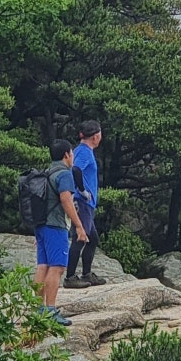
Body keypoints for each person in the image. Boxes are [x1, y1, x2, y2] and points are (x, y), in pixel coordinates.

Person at [34, 139, 88, 326]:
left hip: (41, 224)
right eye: (72, 153)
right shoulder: (65, 174)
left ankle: (37, 307)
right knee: (57, 267)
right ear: (66, 154)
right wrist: (79, 226)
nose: (72, 157)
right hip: (55, 225)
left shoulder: (48, 171)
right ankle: (50, 310)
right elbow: (66, 200)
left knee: (43, 265)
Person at [64, 119, 105, 288]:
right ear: (95, 137)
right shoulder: (84, 152)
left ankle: (86, 274)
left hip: (87, 204)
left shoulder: (83, 151)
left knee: (92, 238)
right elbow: (75, 169)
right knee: (81, 238)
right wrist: (82, 191)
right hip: (83, 203)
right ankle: (70, 277)